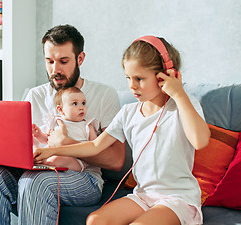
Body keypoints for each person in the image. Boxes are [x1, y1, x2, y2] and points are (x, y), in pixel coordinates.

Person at [34, 36, 211, 225]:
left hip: (177, 199)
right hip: (143, 196)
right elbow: (94, 146)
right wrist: (51, 150)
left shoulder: (184, 105)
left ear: (166, 74)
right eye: (128, 78)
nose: (132, 86)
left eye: (139, 79)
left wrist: (178, 94)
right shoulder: (129, 112)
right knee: (95, 220)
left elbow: (200, 141)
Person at [0, 24, 123, 225]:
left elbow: (116, 160)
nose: (55, 70)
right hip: (36, 169)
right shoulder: (36, 95)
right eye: (49, 61)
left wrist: (66, 143)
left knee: (35, 184)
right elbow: (22, 145)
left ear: (80, 59)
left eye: (63, 61)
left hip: (83, 177)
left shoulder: (104, 95)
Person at [32, 86, 97, 171]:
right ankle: (40, 161)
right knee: (35, 149)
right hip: (52, 154)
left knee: (56, 159)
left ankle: (45, 163)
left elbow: (96, 147)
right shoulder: (55, 122)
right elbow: (47, 140)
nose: (81, 107)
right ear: (61, 109)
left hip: (76, 160)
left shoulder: (87, 125)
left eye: (83, 103)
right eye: (75, 103)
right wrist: (38, 134)